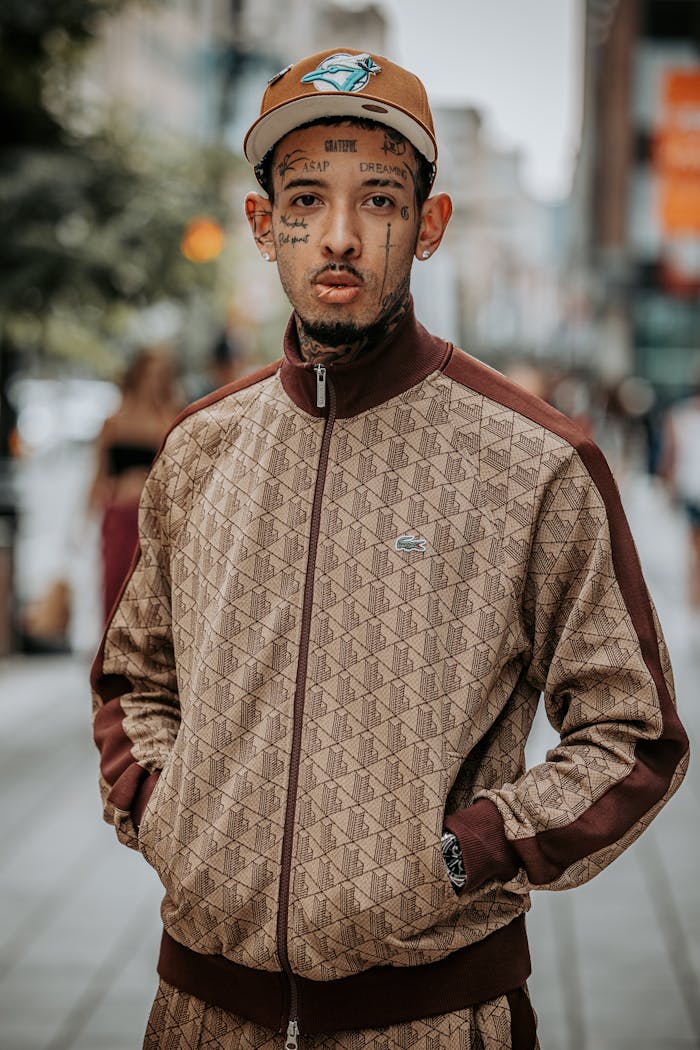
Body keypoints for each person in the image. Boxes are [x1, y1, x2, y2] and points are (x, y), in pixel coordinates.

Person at [91, 49, 689, 1049]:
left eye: (378, 199)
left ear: (430, 224)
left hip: (431, 1018)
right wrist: (164, 808)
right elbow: (133, 676)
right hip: (200, 1011)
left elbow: (633, 734)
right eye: (304, 199)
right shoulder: (201, 449)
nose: (339, 234)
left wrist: (469, 851)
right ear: (261, 225)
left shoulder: (535, 462)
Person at [88, 346, 182, 622]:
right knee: (114, 588)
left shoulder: (170, 419)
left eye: (160, 375)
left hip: (152, 517)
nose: (154, 382)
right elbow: (99, 473)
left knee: (150, 596)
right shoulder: (115, 420)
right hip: (119, 514)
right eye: (149, 374)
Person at [659, 388, 700, 605]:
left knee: (694, 546)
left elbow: (670, 454)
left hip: (691, 487)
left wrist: (668, 484)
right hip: (691, 489)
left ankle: (695, 596)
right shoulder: (680, 415)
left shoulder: (680, 414)